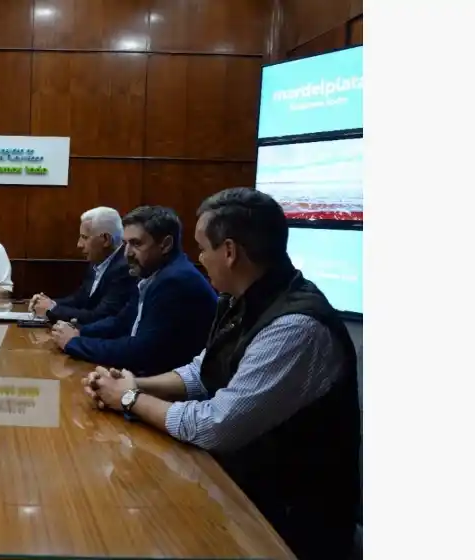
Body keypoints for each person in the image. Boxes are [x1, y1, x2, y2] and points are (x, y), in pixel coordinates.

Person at [83, 188, 361, 560]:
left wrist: (131, 399)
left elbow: (217, 424)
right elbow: (204, 371)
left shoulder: (295, 327)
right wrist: (133, 384)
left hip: (288, 528)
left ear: (229, 252)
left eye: (203, 248)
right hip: (244, 490)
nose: (199, 259)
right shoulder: (240, 299)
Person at [50, 205, 218, 374]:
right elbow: (121, 322)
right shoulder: (152, 274)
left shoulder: (176, 280)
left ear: (165, 245)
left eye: (136, 244)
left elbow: (140, 351)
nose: (127, 253)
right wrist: (79, 332)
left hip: (172, 387)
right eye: (125, 244)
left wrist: (74, 342)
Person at [28, 206, 134, 325]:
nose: (79, 244)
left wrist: (52, 309)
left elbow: (99, 316)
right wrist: (49, 303)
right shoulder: (97, 261)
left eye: (85, 237)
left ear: (106, 240)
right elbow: (79, 299)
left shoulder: (124, 269)